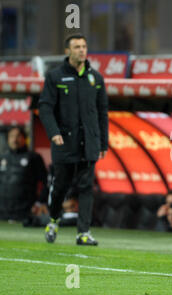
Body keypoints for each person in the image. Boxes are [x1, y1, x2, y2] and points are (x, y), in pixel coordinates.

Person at [38, 33, 109, 246]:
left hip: (89, 142)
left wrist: (103, 142)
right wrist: (53, 132)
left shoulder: (95, 78)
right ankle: (53, 219)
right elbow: (45, 107)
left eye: (84, 46)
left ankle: (83, 233)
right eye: (77, 46)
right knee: (60, 187)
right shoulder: (56, 76)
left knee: (86, 187)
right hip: (64, 142)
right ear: (68, 51)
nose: (81, 50)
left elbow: (102, 112)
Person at [0, 126, 49, 225]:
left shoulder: (33, 157)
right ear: (8, 139)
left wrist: (39, 202)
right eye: (12, 136)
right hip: (2, 212)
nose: (14, 139)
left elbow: (46, 182)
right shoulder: (2, 158)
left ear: (24, 138)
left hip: (25, 212)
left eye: (18, 136)